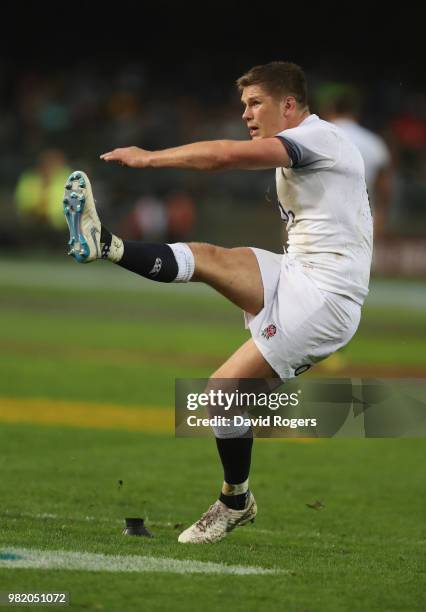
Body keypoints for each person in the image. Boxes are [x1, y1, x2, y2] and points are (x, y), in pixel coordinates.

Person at [63, 62, 372, 544]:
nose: (246, 114)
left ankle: (235, 502)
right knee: (208, 257)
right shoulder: (310, 145)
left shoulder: (320, 139)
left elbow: (224, 156)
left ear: (288, 105)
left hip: (327, 298)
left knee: (220, 392)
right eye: (243, 105)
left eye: (256, 104)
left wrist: (150, 158)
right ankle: (106, 244)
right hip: (298, 273)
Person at [316, 83, 393, 239]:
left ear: (328, 109)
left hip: (318, 225)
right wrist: (379, 220)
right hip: (359, 225)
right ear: (355, 111)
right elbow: (384, 189)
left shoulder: (315, 138)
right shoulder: (374, 143)